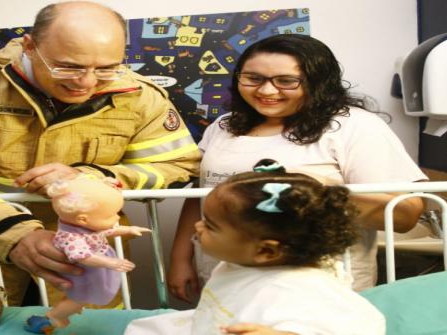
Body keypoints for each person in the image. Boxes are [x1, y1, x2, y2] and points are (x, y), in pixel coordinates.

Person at [0, 0, 200, 306]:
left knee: (85, 330)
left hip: (87, 253)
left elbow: (177, 165)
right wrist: (11, 234)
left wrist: (94, 179)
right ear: (29, 46)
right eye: (67, 67)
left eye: (106, 69)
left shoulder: (140, 96)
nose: (86, 82)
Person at [168, 34, 427, 300]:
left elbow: (405, 215)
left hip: (318, 286)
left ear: (317, 83)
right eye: (253, 78)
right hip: (224, 276)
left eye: (286, 81)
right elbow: (201, 194)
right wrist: (180, 258)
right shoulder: (223, 126)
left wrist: (315, 192)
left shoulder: (355, 126)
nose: (266, 91)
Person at [125, 160, 386, 335]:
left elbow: (357, 324)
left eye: (211, 226)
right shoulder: (243, 263)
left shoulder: (301, 291)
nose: (198, 227)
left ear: (266, 251)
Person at [25, 175, 150, 332]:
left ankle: (60, 313)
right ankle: (54, 317)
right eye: (111, 215)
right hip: (84, 273)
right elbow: (82, 256)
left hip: (92, 271)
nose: (117, 217)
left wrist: (129, 229)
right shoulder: (71, 237)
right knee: (78, 299)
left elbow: (105, 231)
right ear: (83, 219)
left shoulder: (82, 226)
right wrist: (111, 263)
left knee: (78, 299)